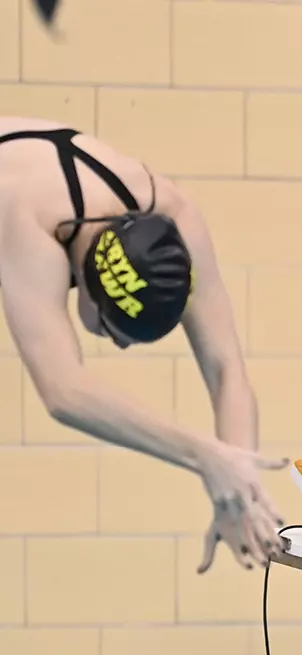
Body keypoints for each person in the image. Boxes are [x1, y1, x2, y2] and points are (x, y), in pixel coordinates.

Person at [0, 120, 282, 570]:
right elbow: (63, 391)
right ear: (88, 290)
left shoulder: (174, 213)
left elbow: (227, 367)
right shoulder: (28, 218)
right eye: (116, 332)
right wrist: (204, 455)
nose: (120, 347)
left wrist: (239, 492)